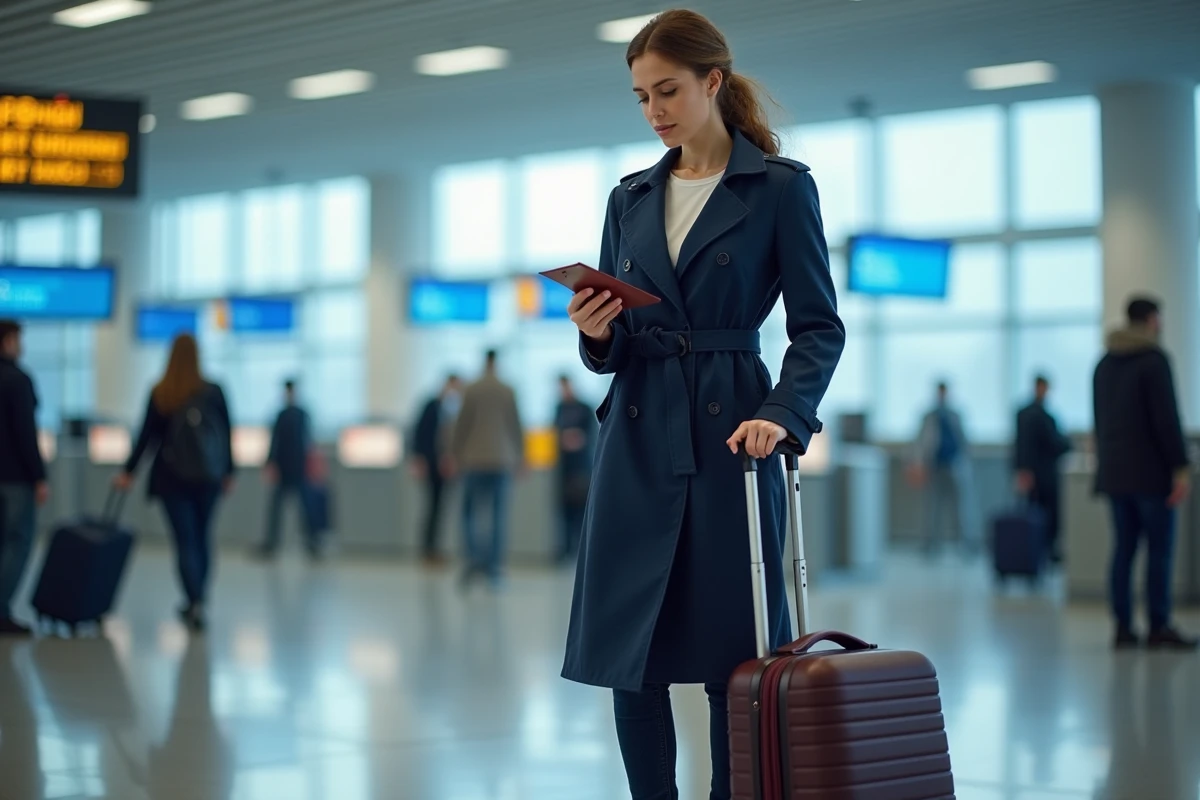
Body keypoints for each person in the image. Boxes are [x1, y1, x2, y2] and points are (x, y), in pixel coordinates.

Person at [558, 11, 845, 800]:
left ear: (712, 81)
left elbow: (818, 327)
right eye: (641, 97)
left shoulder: (780, 188)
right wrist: (595, 334)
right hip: (638, 436)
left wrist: (784, 414)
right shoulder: (629, 197)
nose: (654, 111)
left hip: (734, 433)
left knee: (734, 654)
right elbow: (618, 339)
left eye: (668, 91)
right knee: (632, 654)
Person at [1093, 296, 1197, 650]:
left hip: (1115, 475)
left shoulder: (1104, 363)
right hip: (1151, 475)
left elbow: (1101, 423)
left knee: (1123, 549)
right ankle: (1158, 625)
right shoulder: (1154, 361)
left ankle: (1122, 627)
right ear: (1152, 320)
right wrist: (1180, 467)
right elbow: (1167, 421)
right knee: (1158, 551)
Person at [114, 334, 234, 632]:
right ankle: (200, 599)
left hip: (172, 478)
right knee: (202, 537)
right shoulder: (213, 391)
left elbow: (147, 437)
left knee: (185, 541)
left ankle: (193, 600)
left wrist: (129, 471)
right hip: (208, 477)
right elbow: (226, 434)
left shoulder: (162, 392)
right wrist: (229, 471)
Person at [449, 350, 524, 588]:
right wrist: (521, 457)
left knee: (470, 514)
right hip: (502, 459)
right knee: (498, 515)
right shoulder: (507, 389)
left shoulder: (471, 389)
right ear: (497, 363)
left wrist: (454, 454)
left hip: (473, 459)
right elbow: (515, 424)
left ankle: (473, 563)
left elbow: (461, 424)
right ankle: (493, 569)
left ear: (484, 362)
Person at [0, 320, 50, 636]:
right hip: (15, 477)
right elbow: (25, 434)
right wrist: (39, 476)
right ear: (7, 341)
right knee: (17, 542)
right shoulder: (18, 380)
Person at [910, 381, 978, 556]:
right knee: (932, 507)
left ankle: (965, 543)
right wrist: (918, 463)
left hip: (955, 465)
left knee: (960, 508)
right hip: (935, 466)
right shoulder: (928, 416)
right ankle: (930, 545)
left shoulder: (955, 415)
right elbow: (920, 442)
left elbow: (964, 439)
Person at [256, 379, 321, 560]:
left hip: (299, 467)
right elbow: (275, 441)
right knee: (276, 508)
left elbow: (308, 441)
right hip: (283, 467)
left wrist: (311, 464)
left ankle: (312, 543)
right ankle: (271, 543)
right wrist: (270, 463)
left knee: (306, 507)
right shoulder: (281, 414)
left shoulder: (302, 414)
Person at [1014, 375, 1072, 563]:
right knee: (1046, 516)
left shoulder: (1024, 413)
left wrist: (1020, 469)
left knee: (1034, 515)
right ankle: (1044, 552)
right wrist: (1069, 444)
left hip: (1031, 473)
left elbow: (1019, 446)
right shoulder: (1041, 416)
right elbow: (1051, 444)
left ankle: (1034, 553)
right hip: (1044, 475)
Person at [410, 374, 462, 566]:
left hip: (443, 467)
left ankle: (434, 549)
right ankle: (427, 550)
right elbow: (418, 433)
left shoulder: (450, 410)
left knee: (440, 509)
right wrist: (418, 458)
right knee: (432, 508)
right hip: (431, 464)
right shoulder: (431, 406)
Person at [553, 374, 596, 565]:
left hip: (581, 467)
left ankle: (581, 549)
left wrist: (577, 439)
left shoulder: (584, 408)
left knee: (581, 510)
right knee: (564, 510)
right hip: (564, 467)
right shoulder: (559, 408)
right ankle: (565, 550)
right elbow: (554, 433)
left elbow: (592, 435)